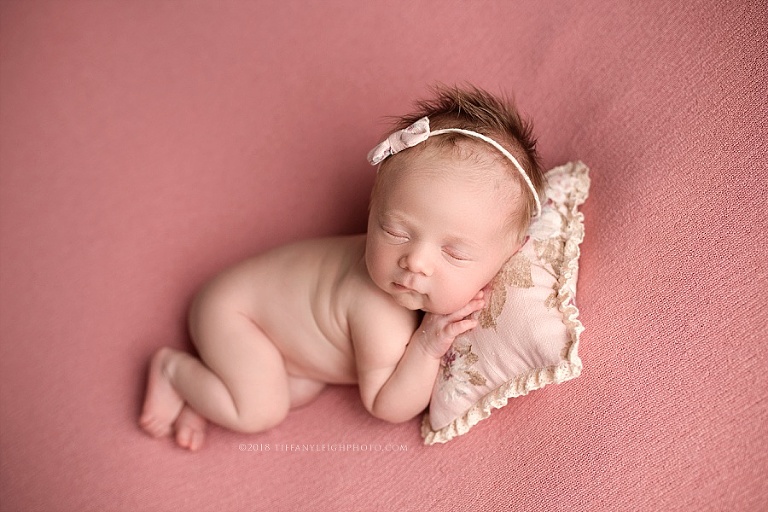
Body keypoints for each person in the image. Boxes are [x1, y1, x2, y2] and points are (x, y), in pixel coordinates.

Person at [139, 85, 546, 451]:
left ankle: (206, 395)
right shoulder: (378, 309)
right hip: (234, 313)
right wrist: (426, 346)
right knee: (260, 410)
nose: (416, 261)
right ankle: (174, 370)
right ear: (373, 209)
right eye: (395, 230)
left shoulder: (450, 262)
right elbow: (385, 405)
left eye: (454, 253)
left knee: (297, 389)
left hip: (274, 333)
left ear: (511, 253)